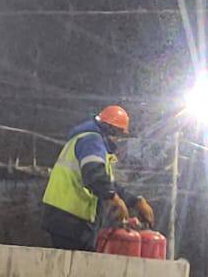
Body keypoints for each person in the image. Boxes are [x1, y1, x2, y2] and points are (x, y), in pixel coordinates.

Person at [40, 105, 155, 250]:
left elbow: (109, 183)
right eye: (120, 135)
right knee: (74, 269)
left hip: (69, 218)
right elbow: (94, 174)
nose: (119, 141)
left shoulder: (94, 144)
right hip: (70, 220)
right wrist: (114, 199)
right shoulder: (91, 140)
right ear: (110, 130)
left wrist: (135, 201)